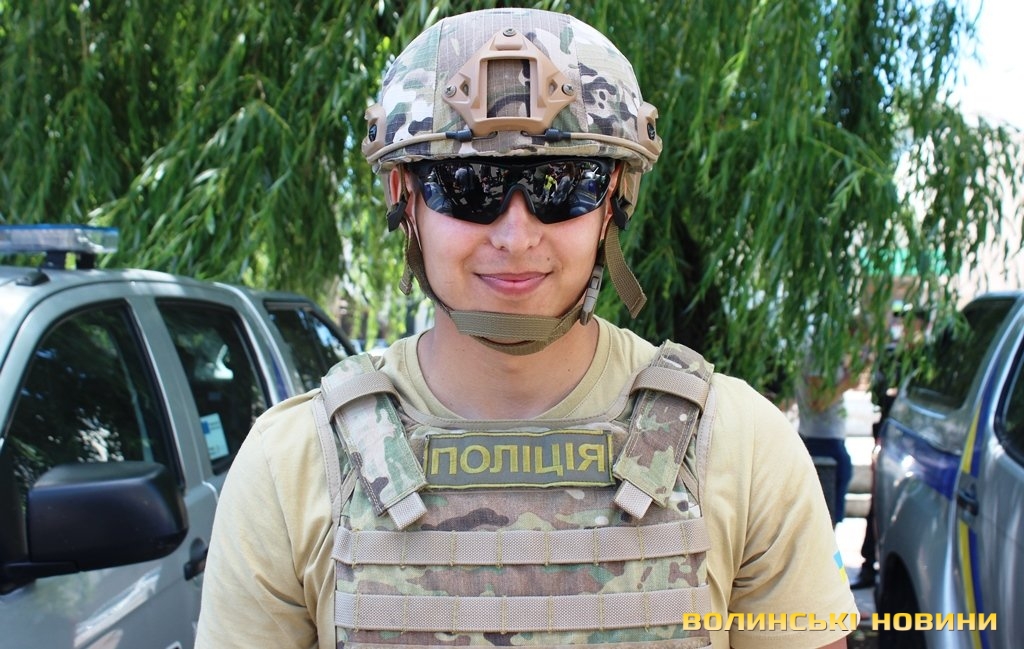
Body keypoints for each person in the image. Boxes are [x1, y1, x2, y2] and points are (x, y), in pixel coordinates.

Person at [195, 9, 856, 649]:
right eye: (467, 184)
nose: (516, 236)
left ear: (614, 198)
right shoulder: (294, 465)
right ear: (403, 195)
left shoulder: (739, 444)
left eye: (560, 184)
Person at [850, 303, 927, 589]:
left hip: (920, 442)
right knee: (878, 503)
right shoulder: (892, 355)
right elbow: (879, 393)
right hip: (891, 435)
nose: (908, 329)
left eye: (913, 322)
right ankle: (868, 565)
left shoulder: (928, 356)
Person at [795, 347, 857, 526]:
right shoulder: (820, 353)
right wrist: (847, 382)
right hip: (821, 441)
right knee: (825, 517)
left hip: (826, 439)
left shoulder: (830, 351)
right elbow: (818, 402)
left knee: (828, 516)